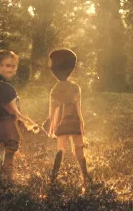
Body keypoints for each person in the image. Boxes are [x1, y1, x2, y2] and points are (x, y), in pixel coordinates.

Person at [0, 49, 39, 185]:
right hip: (8, 125)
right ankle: (7, 180)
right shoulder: (8, 89)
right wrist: (28, 122)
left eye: (13, 66)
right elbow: (13, 110)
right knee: (9, 152)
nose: (10, 68)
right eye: (6, 65)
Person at [43, 48, 90, 190]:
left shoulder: (55, 89)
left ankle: (53, 176)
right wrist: (82, 122)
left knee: (60, 150)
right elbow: (78, 106)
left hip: (62, 123)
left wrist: (49, 120)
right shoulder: (75, 87)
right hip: (74, 121)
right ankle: (85, 175)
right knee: (79, 149)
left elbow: (53, 109)